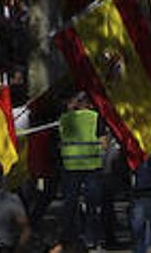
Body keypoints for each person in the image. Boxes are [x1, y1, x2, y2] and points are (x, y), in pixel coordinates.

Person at [57, 91, 108, 250]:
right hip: (92, 167)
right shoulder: (95, 117)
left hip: (70, 168)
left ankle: (67, 238)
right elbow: (104, 143)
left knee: (69, 205)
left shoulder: (64, 118)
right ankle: (91, 239)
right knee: (93, 206)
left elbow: (60, 141)